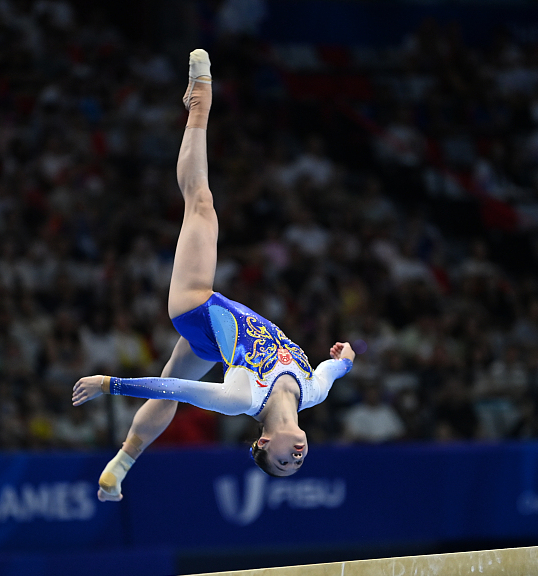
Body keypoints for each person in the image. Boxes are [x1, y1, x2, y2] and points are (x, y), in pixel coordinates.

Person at [71, 49, 355, 502]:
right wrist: (347, 357)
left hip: (194, 304)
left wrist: (111, 384)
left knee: (200, 202)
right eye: (298, 463)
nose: (296, 457)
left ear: (263, 443)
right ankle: (120, 465)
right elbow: (334, 367)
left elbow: (177, 387)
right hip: (209, 339)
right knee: (167, 398)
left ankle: (199, 105)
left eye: (282, 461)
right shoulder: (314, 393)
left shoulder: (241, 397)